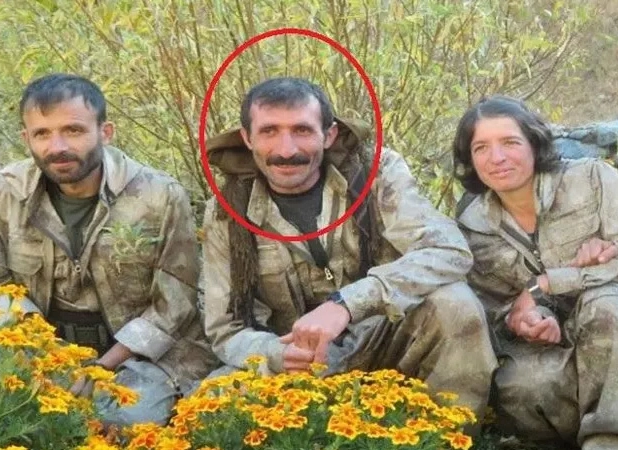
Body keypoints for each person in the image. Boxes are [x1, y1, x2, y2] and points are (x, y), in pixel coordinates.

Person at [202, 77, 497, 422]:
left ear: (328, 135)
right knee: (208, 404)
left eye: (302, 130)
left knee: (456, 305)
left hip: (383, 343)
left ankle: (447, 435)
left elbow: (448, 249)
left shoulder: (376, 173)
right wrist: (275, 354)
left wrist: (347, 304)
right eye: (269, 131)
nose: (286, 149)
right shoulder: (227, 209)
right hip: (292, 366)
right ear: (247, 138)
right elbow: (226, 329)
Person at [0, 73, 220, 426]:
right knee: (8, 413)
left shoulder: (160, 196)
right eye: (42, 134)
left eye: (73, 130)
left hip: (144, 356)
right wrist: (48, 352)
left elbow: (175, 303)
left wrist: (101, 367)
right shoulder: (6, 192)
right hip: (41, 348)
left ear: (105, 132)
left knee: (121, 420)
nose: (57, 146)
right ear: (26, 138)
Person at [453, 95, 618, 450]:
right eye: (481, 148)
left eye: (510, 142)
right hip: (553, 352)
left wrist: (544, 284)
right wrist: (527, 319)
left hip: (609, 329)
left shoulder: (593, 179)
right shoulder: (471, 225)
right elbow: (491, 306)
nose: (497, 158)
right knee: (521, 383)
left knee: (606, 305)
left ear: (534, 143)